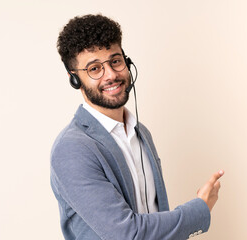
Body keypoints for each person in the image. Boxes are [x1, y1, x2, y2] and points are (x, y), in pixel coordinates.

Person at [50, 14, 224, 240]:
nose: (111, 75)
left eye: (115, 61)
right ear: (75, 79)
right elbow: (127, 234)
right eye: (94, 68)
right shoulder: (72, 150)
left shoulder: (141, 133)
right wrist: (199, 209)